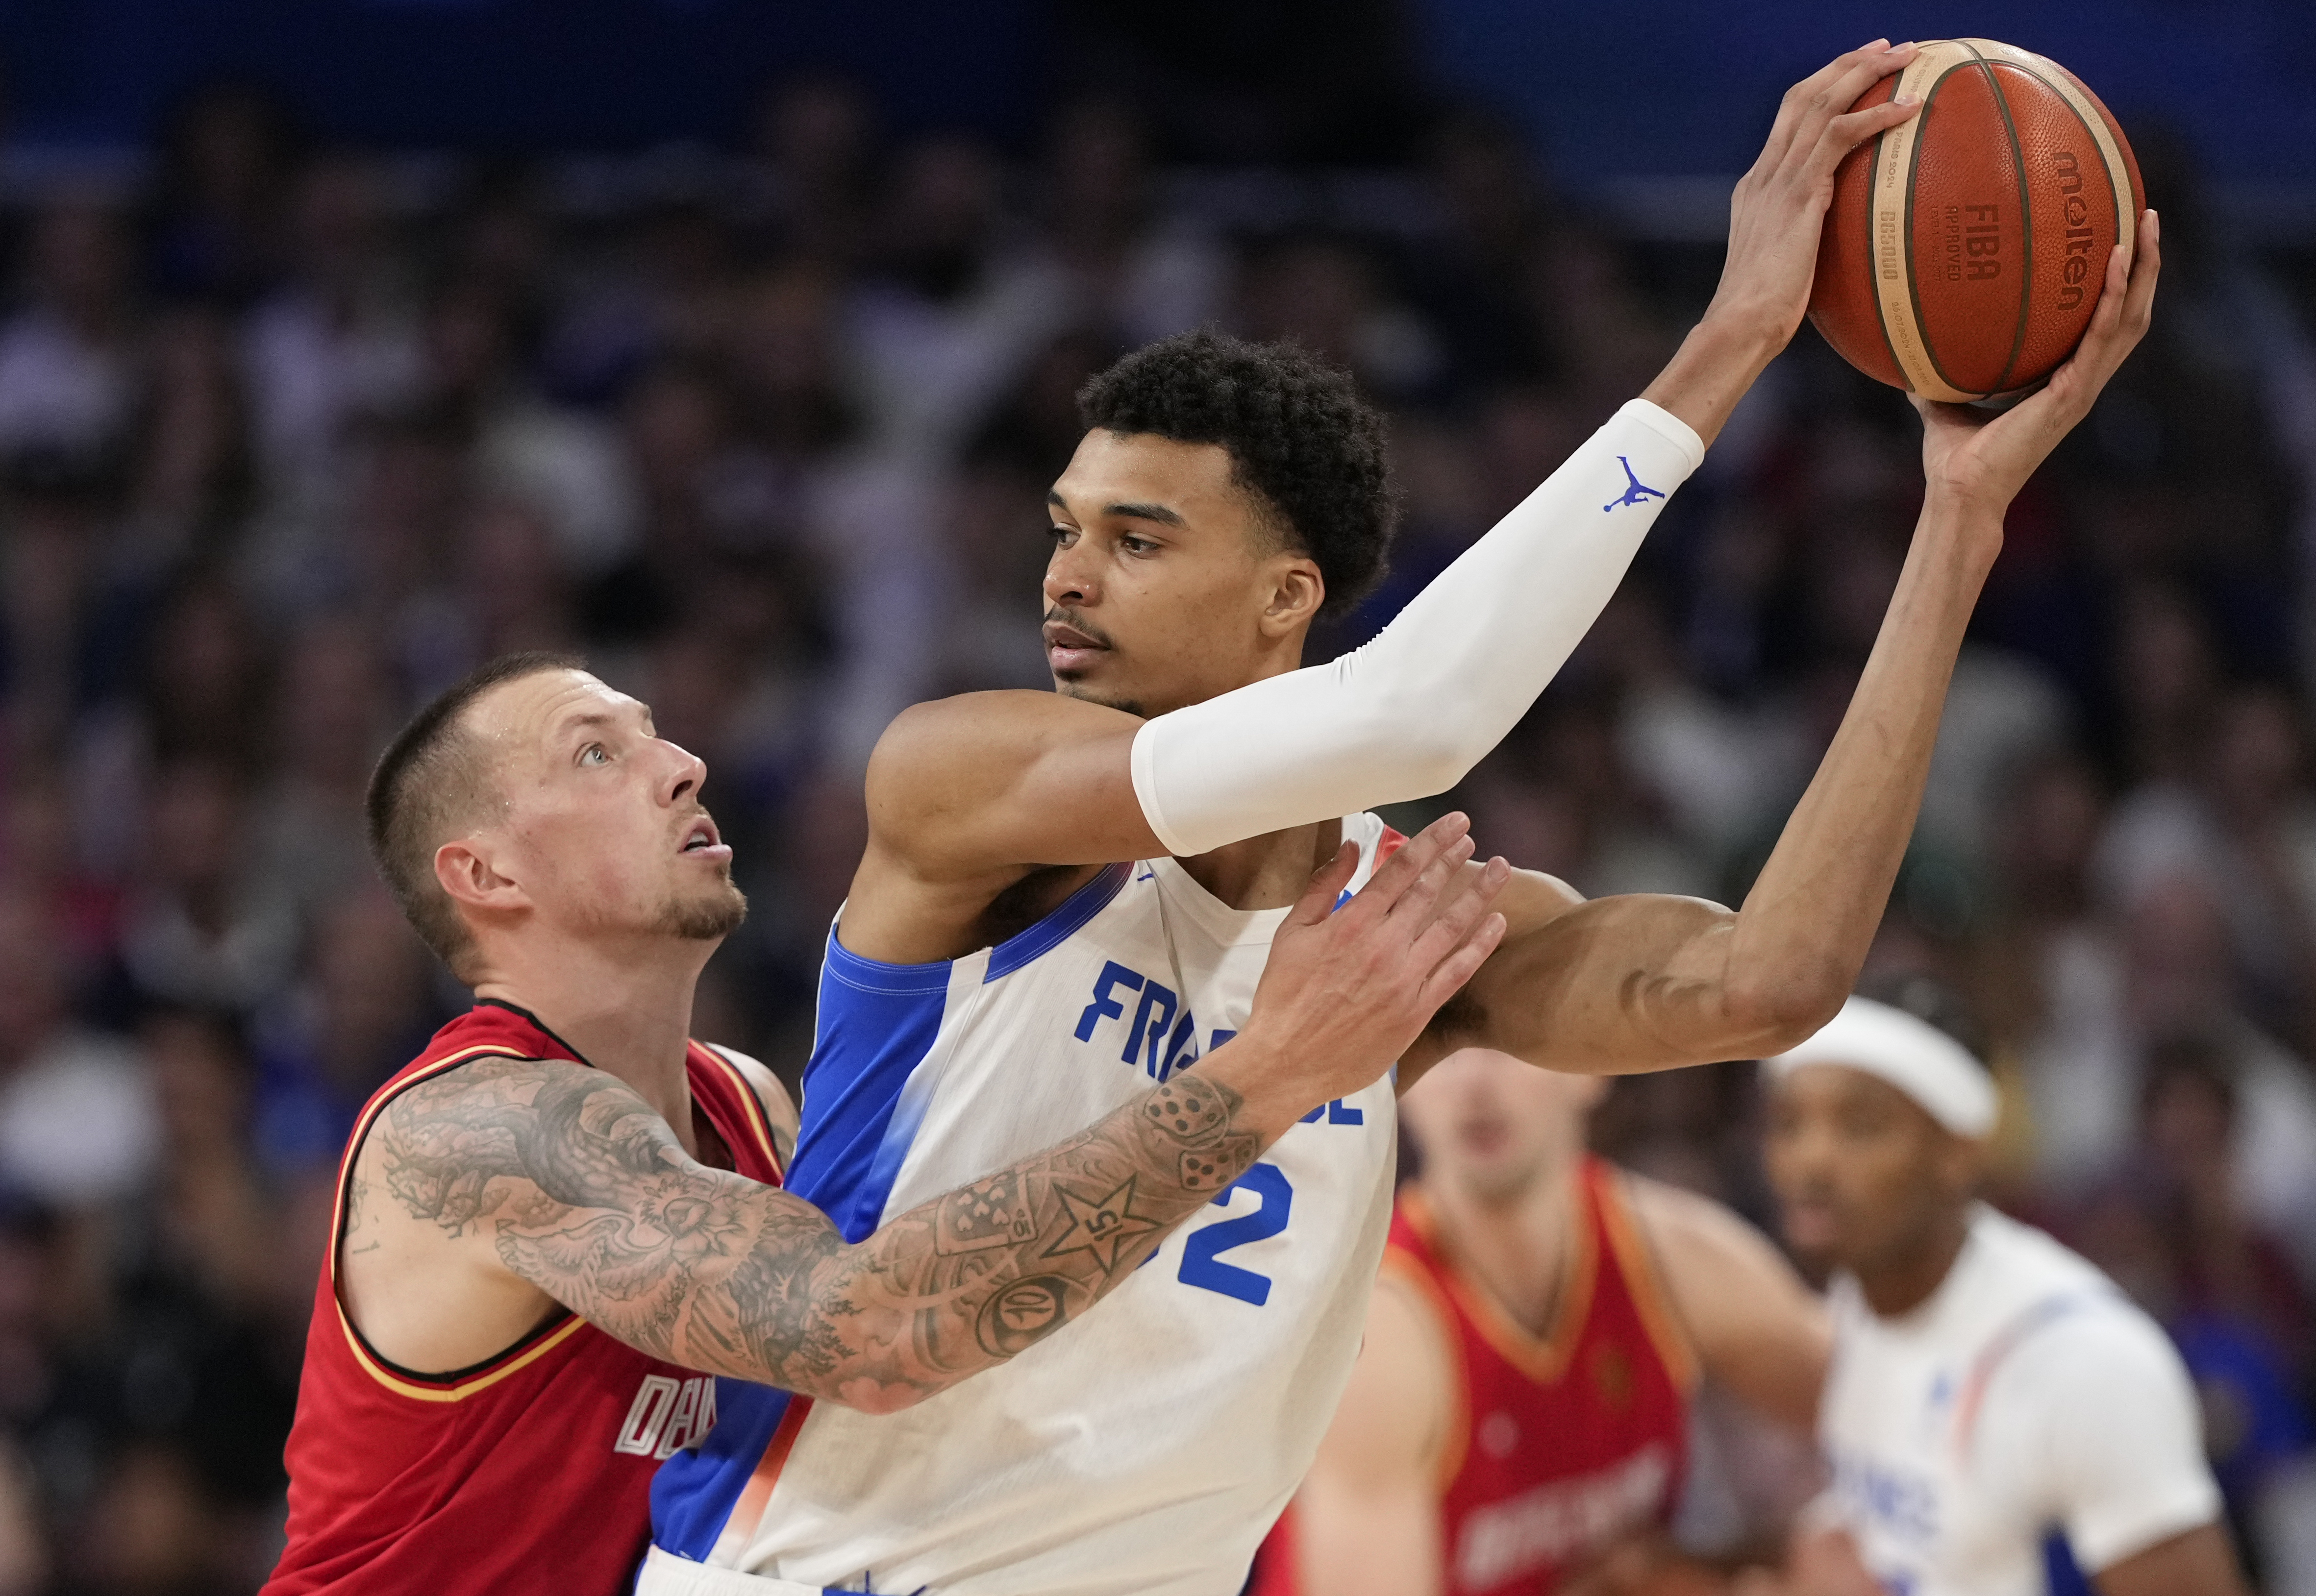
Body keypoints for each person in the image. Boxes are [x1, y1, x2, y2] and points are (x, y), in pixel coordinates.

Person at [642, 41, 2163, 1596]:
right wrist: (1727, 338)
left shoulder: (1418, 934)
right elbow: (1414, 715)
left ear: (1281, 598)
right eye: (1061, 531)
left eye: (1135, 538)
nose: (1064, 577)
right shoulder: (961, 782)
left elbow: (1770, 982)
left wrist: (1955, 518)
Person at [263, 651, 1507, 1596]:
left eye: (658, 735)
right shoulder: (477, 1132)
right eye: (596, 754)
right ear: (485, 875)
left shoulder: (743, 1101)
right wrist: (1269, 1071)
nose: (680, 763)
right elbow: (869, 1328)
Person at [1250, 1046, 1829, 1596]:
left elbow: (1875, 1410)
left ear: (1592, 1066)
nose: (1473, 1084)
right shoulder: (1382, 1333)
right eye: (1444, 1047)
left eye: (1505, 1042)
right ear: (1398, 1089)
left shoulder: (1669, 1256)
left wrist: (1726, 1566)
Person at [1762, 997, 2249, 1596]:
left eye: (1860, 1127)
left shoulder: (2082, 1361)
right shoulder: (1860, 1292)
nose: (1810, 1160)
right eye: (1788, 1123)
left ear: (1958, 1153)